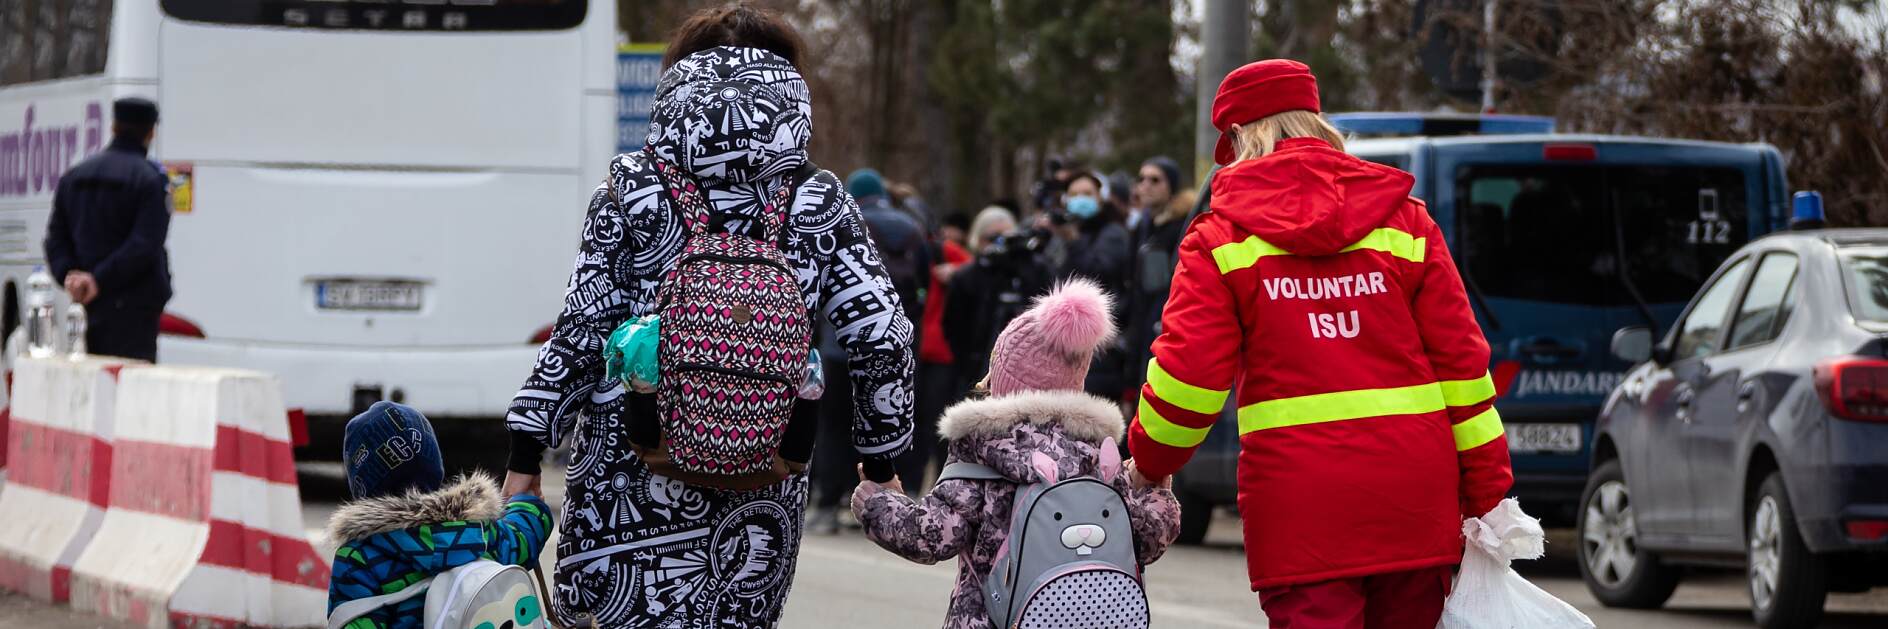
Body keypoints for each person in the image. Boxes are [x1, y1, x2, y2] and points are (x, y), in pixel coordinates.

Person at [501, 5, 916, 625]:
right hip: (762, 473)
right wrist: (880, 464)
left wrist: (526, 455)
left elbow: (583, 331)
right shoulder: (819, 199)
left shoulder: (631, 188)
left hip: (629, 462)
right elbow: (882, 339)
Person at [1125, 59, 1513, 628]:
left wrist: (1149, 460)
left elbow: (1188, 381)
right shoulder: (1406, 224)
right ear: (1317, 123)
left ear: (1236, 139)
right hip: (1416, 499)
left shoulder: (1221, 239)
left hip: (1300, 510)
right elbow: (1464, 373)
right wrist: (1488, 495)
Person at [852, 279, 1180, 628]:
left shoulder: (981, 449)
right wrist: (1156, 493)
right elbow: (1145, 539)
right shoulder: (1099, 454)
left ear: (1003, 383)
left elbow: (933, 535)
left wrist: (880, 498)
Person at [326, 402, 554, 629]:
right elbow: (522, 538)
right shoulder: (476, 532)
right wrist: (527, 505)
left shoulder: (357, 558)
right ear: (434, 463)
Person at [44, 97, 171, 362]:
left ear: (113, 127)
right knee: (130, 389)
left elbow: (56, 239)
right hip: (134, 310)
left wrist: (72, 277)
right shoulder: (149, 180)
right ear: (150, 132)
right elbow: (144, 245)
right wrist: (98, 280)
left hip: (85, 305)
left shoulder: (75, 176)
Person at [904, 212, 973, 490]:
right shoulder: (904, 253)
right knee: (915, 422)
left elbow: (978, 269)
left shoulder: (943, 251)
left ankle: (939, 484)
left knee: (935, 422)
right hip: (918, 348)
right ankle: (913, 483)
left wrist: (957, 274)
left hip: (939, 351)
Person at [944, 207, 1052, 384]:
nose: (1002, 244)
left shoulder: (1037, 270)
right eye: (993, 238)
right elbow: (953, 326)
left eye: (1008, 237)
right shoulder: (967, 276)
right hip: (975, 368)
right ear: (977, 240)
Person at [1122, 156, 1196, 403]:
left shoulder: (1183, 227)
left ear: (1171, 187)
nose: (1146, 185)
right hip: (1142, 326)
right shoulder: (1142, 228)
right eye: (1141, 179)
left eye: (1155, 180)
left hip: (1166, 325)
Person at [1053, 172, 1132, 400]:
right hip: (1062, 344)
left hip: (1097, 348)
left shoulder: (1113, 233)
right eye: (1074, 194)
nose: (1081, 199)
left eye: (1087, 194)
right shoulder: (1060, 234)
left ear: (1100, 198)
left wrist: (1073, 242)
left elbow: (1098, 275)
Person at [851, 168, 931, 323]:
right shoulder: (910, 223)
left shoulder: (853, 222)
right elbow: (924, 271)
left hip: (863, 312)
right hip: (906, 311)